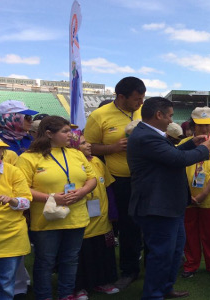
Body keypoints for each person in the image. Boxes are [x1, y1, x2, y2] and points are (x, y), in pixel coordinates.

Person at [127, 97, 210, 299]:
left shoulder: (149, 134)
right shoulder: (146, 136)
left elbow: (169, 154)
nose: (171, 121)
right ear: (159, 115)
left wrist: (191, 143)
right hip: (157, 206)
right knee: (161, 253)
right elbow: (176, 159)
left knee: (173, 252)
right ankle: (154, 294)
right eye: (170, 115)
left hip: (167, 205)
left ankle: (165, 288)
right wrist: (203, 150)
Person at [16, 116, 97, 300]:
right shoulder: (28, 158)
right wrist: (50, 198)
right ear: (49, 134)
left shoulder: (75, 154)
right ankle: (44, 295)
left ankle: (66, 294)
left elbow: (91, 178)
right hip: (47, 219)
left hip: (76, 217)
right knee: (45, 261)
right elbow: (21, 189)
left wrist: (82, 192)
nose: (71, 135)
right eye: (65, 131)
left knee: (70, 259)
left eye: (71, 131)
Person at [84, 76, 146, 289]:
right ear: (121, 97)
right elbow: (87, 147)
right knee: (128, 226)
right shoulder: (99, 115)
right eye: (137, 98)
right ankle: (129, 270)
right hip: (119, 180)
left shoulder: (143, 112)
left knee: (149, 223)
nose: (141, 102)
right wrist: (112, 148)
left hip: (146, 177)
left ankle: (154, 265)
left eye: (143, 98)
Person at [69, 130, 119, 299]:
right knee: (83, 253)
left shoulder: (97, 161)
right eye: (83, 143)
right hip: (81, 218)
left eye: (87, 141)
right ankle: (80, 287)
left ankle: (103, 282)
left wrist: (112, 210)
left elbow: (108, 187)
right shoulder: (69, 165)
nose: (89, 145)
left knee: (103, 251)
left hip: (102, 217)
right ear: (72, 146)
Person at [0, 130, 32, 300]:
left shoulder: (13, 171)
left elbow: (26, 201)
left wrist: (12, 201)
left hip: (10, 235)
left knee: (5, 283)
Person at [180, 107, 210, 279]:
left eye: (208, 125)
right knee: (189, 233)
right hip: (186, 198)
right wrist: (188, 195)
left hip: (209, 198)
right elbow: (176, 167)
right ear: (193, 126)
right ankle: (191, 264)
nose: (205, 129)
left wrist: (203, 195)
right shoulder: (183, 144)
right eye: (200, 125)